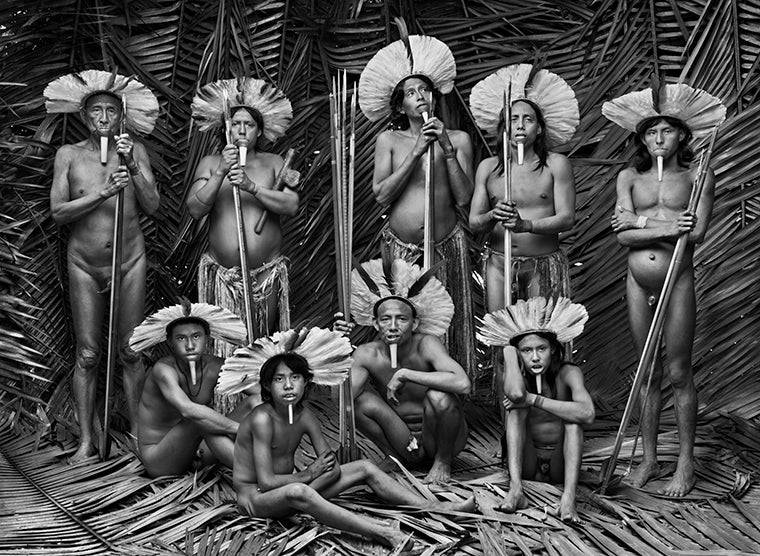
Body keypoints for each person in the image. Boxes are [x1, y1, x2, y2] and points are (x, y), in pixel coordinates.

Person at [217, 328, 475, 552]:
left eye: (295, 378)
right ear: (267, 385)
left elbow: (332, 468)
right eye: (279, 379)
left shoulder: (305, 417)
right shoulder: (262, 418)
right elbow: (267, 481)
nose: (288, 386)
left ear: (306, 382)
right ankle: (383, 532)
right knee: (298, 491)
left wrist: (315, 475)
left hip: (296, 492)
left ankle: (436, 507)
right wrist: (309, 475)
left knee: (363, 468)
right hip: (257, 499)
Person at [603, 82, 725, 497]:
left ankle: (686, 463)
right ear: (641, 137)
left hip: (679, 281)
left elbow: (697, 235)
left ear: (682, 136)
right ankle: (650, 459)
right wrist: (665, 227)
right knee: (646, 372)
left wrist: (640, 224)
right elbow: (622, 237)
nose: (658, 139)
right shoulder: (629, 178)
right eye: (650, 132)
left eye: (666, 131)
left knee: (677, 371)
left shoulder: (698, 175)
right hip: (637, 281)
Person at [45, 70, 160, 462]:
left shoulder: (136, 151)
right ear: (84, 116)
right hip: (84, 263)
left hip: (129, 260)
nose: (105, 118)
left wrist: (131, 163)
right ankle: (86, 442)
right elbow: (59, 213)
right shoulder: (69, 155)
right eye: (97, 111)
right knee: (89, 354)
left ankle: (145, 442)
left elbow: (153, 204)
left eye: (112, 110)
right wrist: (101, 193)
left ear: (122, 115)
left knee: (130, 352)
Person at [358, 31, 476, 377]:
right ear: (400, 105)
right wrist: (417, 151)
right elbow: (382, 194)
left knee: (445, 320)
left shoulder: (458, 139)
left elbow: (465, 197)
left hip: (446, 244)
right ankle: (404, 388)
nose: (420, 96)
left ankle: (446, 389)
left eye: (424, 90)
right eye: (410, 92)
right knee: (402, 320)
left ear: (434, 98)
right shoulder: (389, 140)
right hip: (401, 246)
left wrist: (447, 151)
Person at [468, 64, 578, 416]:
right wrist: (492, 216)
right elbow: (474, 222)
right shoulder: (488, 168)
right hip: (499, 264)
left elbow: (567, 219)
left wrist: (526, 224)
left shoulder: (556, 164)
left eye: (527, 119)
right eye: (512, 119)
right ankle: (508, 428)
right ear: (503, 127)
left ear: (539, 128)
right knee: (505, 345)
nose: (519, 125)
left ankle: (546, 421)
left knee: (544, 343)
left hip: (543, 264)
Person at [187, 77, 299, 357]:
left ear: (259, 130)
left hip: (266, 273)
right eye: (235, 124)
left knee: (261, 344)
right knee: (224, 348)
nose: (241, 130)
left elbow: (290, 205)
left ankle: (258, 400)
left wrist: (252, 187)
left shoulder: (274, 163)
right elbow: (195, 208)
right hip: (222, 274)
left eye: (248, 125)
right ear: (226, 128)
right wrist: (220, 172)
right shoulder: (211, 163)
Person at [349, 258, 470, 484]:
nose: (393, 326)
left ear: (414, 324)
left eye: (401, 319)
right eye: (386, 319)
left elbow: (463, 383)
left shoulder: (426, 344)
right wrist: (340, 348)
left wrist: (405, 374)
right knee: (359, 403)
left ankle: (442, 461)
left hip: (439, 436)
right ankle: (393, 456)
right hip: (401, 437)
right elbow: (343, 401)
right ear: (375, 324)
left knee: (440, 396)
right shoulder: (367, 354)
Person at [478, 296, 594, 522]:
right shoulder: (516, 377)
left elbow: (587, 413)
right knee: (516, 411)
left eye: (541, 349)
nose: (535, 357)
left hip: (561, 462)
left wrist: (534, 399)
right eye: (526, 351)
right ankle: (516, 489)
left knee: (573, 420)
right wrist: (509, 354)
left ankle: (568, 498)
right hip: (528, 463)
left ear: (553, 349)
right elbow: (517, 395)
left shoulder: (568, 373)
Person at [129, 300, 254, 477]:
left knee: (255, 403)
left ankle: (271, 464)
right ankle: (256, 476)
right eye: (181, 338)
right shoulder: (163, 371)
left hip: (200, 448)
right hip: (162, 459)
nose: (190, 345)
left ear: (207, 337)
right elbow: (188, 410)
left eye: (196, 336)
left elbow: (261, 394)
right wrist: (240, 429)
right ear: (170, 342)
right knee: (197, 418)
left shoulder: (215, 365)